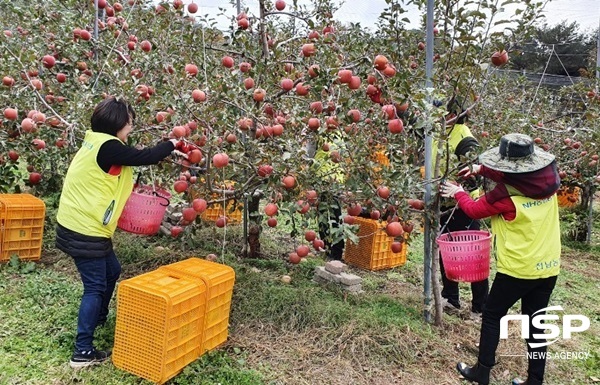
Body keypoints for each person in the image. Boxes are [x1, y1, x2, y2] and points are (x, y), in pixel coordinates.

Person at [55, 97, 182, 368]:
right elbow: (144, 156)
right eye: (130, 121)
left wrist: (165, 150)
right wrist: (172, 143)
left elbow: (130, 159)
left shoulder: (98, 142)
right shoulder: (110, 147)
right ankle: (82, 351)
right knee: (95, 286)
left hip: (78, 222)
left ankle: (98, 318)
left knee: (111, 270)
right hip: (84, 228)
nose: (131, 126)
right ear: (118, 124)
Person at [440, 133, 561, 385]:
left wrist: (458, 192)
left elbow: (473, 209)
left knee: (493, 314)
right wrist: (481, 169)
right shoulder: (548, 184)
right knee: (536, 325)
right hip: (548, 267)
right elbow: (518, 176)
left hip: (517, 269)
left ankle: (481, 372)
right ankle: (534, 381)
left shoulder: (505, 198)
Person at [436, 97, 489, 316]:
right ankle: (451, 298)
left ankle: (480, 306)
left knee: (472, 255)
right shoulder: (440, 133)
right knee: (446, 253)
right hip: (443, 203)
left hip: (465, 205)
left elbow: (474, 177)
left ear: (452, 115)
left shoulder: (466, 140)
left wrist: (457, 188)